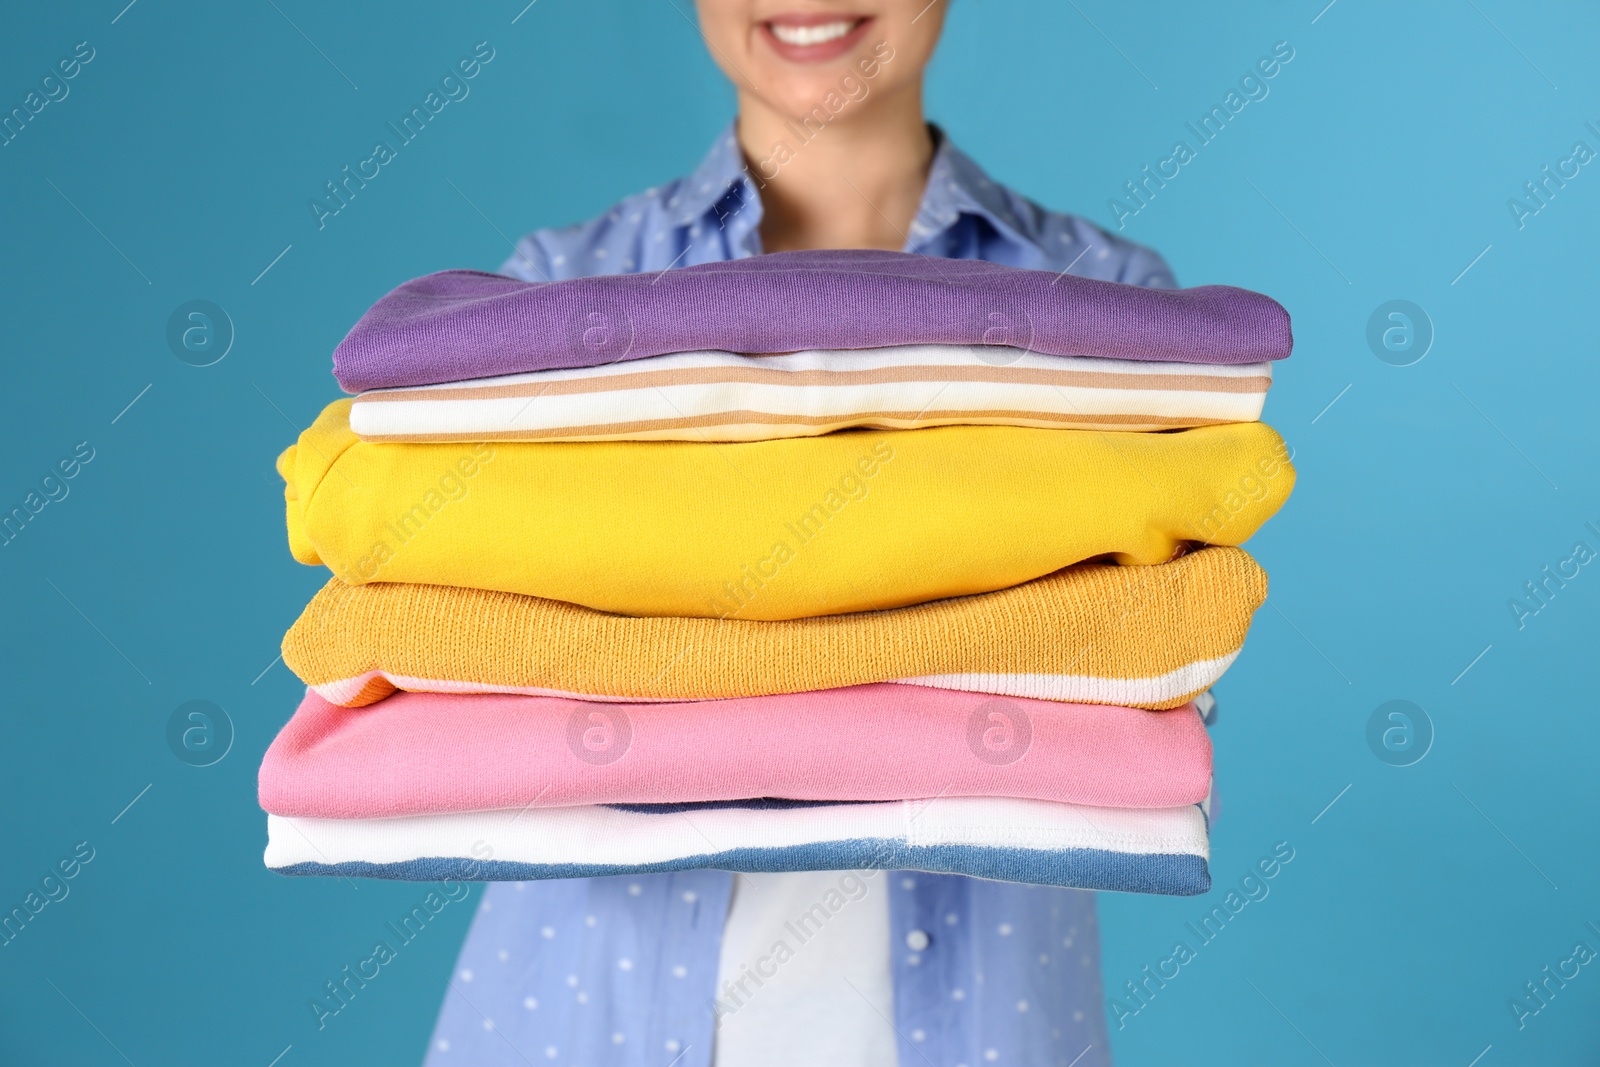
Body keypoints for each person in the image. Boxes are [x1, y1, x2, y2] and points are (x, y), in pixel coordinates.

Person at [425, 3, 1175, 1064]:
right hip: (582, 1020)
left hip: (984, 1026)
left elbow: (1147, 693)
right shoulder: (550, 301)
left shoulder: (1112, 312)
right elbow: (474, 674)